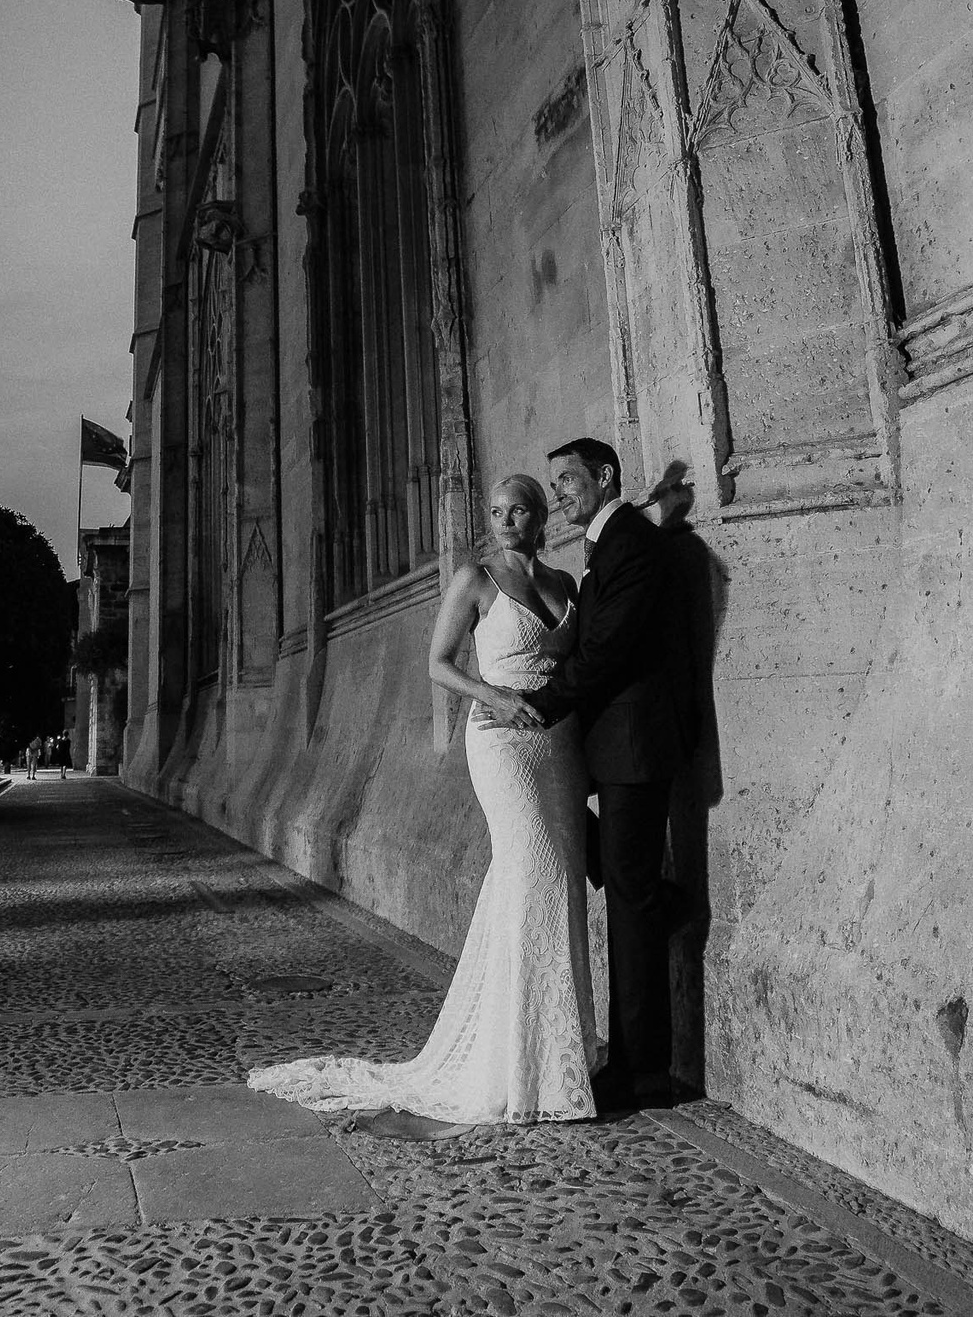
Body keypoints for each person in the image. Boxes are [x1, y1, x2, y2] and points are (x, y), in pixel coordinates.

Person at [247, 474, 598, 1126]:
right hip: (499, 743)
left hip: (558, 749)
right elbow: (438, 662)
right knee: (533, 872)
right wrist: (495, 698)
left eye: (516, 509)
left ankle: (560, 1061)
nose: (503, 519)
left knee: (555, 888)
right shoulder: (476, 578)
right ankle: (516, 1067)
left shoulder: (564, 585)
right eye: (495, 511)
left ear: (540, 514)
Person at [489, 436, 698, 1112]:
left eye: (570, 480)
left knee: (631, 900)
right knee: (626, 888)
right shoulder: (609, 543)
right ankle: (633, 1055)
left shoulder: (631, 540)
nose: (560, 495)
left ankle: (642, 1071)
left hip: (633, 746)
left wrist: (542, 706)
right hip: (609, 746)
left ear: (605, 476)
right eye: (554, 485)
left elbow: (608, 647)